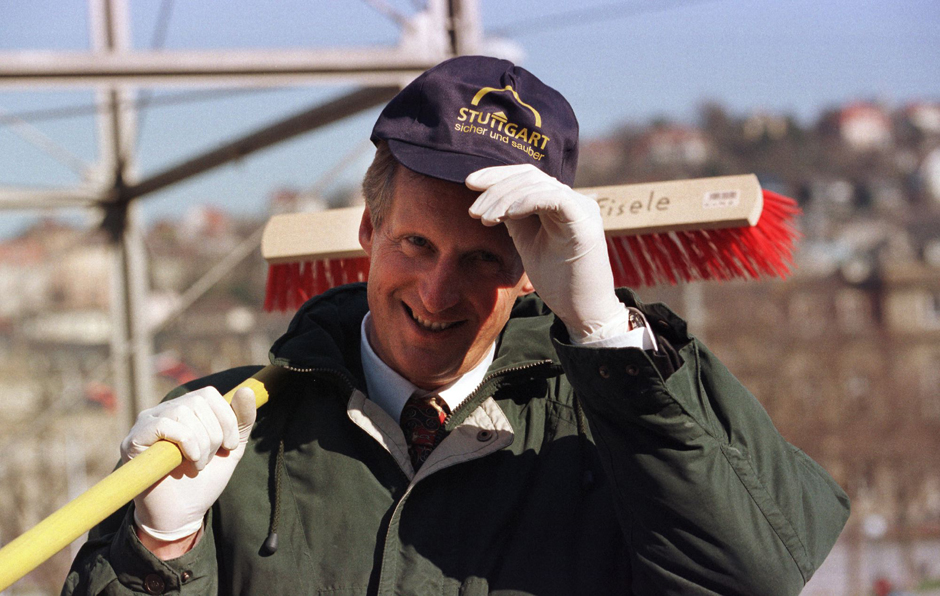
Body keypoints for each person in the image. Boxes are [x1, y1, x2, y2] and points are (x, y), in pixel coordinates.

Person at [64, 56, 849, 595]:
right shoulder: (223, 441)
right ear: (367, 233)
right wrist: (158, 551)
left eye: (483, 258)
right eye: (415, 243)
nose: (439, 292)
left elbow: (750, 578)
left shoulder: (624, 422)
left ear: (533, 268)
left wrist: (605, 330)